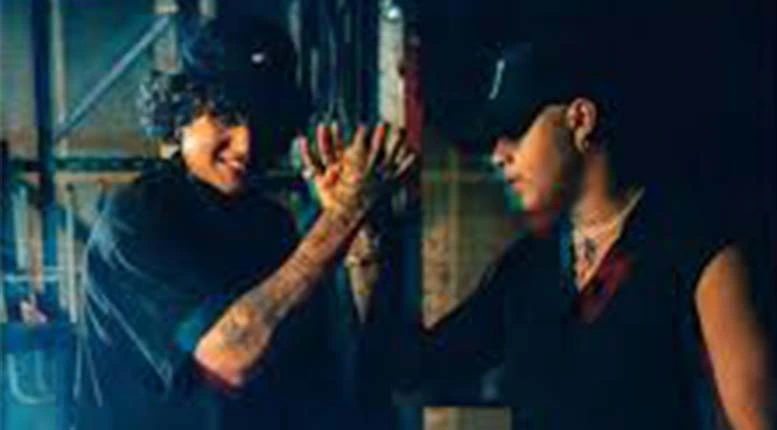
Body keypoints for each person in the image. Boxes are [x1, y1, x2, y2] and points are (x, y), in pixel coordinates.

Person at [74, 15, 415, 430]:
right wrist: (343, 215)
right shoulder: (138, 217)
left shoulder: (271, 224)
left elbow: (334, 369)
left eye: (263, 119)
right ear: (182, 112)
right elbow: (228, 358)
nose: (246, 144)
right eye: (226, 116)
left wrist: (360, 237)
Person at [409, 42, 774, 429]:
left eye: (516, 129)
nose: (499, 155)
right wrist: (371, 238)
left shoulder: (691, 247)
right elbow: (418, 366)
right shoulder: (527, 270)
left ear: (580, 120)